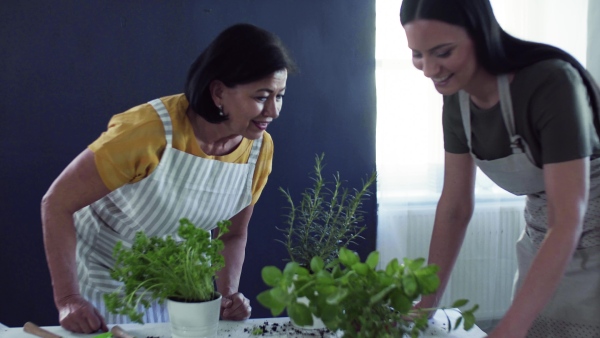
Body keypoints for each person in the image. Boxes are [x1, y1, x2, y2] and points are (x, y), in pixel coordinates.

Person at [41, 23, 297, 334]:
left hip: (181, 285)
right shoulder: (147, 132)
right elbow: (56, 203)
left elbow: (231, 235)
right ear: (218, 92)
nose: (274, 110)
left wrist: (227, 296)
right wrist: (69, 299)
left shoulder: (259, 150)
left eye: (280, 96)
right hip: (104, 283)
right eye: (261, 97)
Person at [399, 0, 600, 337]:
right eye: (418, 54)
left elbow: (567, 218)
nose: (429, 69)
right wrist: (426, 305)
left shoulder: (552, 82)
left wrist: (508, 329)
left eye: (443, 52)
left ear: (480, 34)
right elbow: (455, 207)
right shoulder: (457, 100)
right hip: (543, 241)